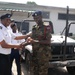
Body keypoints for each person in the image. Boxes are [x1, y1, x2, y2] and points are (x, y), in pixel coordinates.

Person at [26, 11, 52, 75]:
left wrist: (35, 41)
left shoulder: (46, 27)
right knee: (34, 71)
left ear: (41, 17)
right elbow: (32, 38)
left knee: (42, 72)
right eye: (34, 18)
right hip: (34, 54)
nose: (36, 20)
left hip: (43, 55)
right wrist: (28, 40)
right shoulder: (34, 27)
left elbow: (48, 41)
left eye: (37, 18)